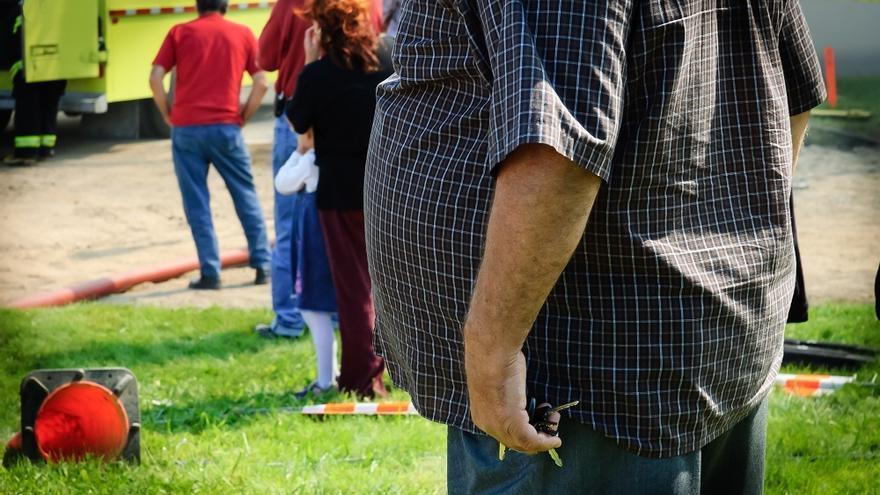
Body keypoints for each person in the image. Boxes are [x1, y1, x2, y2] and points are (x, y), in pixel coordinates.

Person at [366, 1, 825, 493]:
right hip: (704, 342)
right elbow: (790, 92)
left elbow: (558, 148)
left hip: (579, 382)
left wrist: (492, 350)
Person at [286, 0, 392, 398]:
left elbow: (298, 121)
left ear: (320, 31)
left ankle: (362, 380)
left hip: (338, 195)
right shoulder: (387, 59)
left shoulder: (317, 75)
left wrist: (310, 61)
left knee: (353, 289)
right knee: (388, 287)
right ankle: (391, 370)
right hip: (385, 188)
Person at [149, 0, 271, 290]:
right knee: (245, 195)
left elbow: (155, 77)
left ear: (197, 5)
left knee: (197, 202)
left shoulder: (180, 32)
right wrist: (243, 116)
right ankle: (263, 265)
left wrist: (167, 111)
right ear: (225, 5)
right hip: (226, 128)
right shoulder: (242, 33)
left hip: (186, 129)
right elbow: (262, 83)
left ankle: (210, 272)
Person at [253, 0, 310, 338]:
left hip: (296, 118)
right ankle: (335, 315)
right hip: (350, 118)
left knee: (289, 225)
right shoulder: (365, 3)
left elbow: (266, 58)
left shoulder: (292, 3)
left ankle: (289, 319)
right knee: (339, 224)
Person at [274, 129, 339, 396]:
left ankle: (325, 379)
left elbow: (282, 183)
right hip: (328, 233)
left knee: (313, 309)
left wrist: (298, 151)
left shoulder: (310, 159)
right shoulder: (332, 155)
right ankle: (331, 374)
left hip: (314, 238)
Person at [1, 2, 66, 166]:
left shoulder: (18, 10)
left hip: (27, 68)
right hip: (51, 66)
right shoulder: (54, 10)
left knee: (28, 107)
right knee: (48, 104)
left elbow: (10, 39)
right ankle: (45, 149)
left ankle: (26, 154)